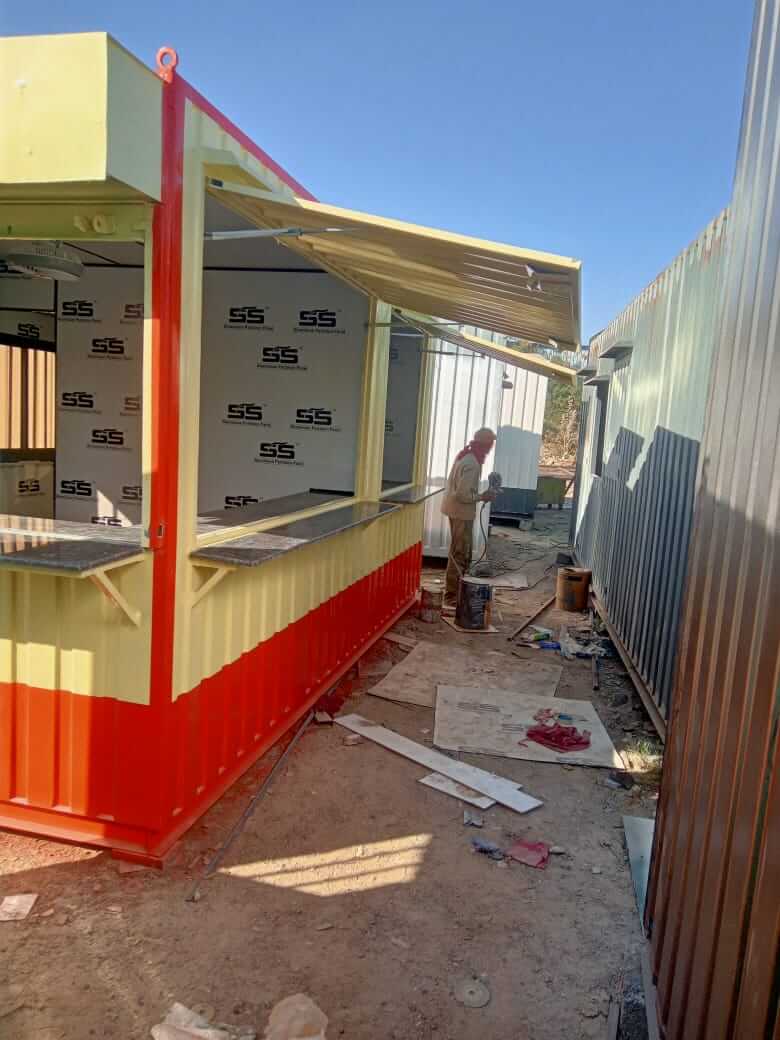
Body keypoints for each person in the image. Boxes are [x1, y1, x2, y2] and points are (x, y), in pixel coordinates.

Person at [440, 427, 497, 608]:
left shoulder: (466, 455)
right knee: (460, 553)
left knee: (459, 551)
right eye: (490, 444)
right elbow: (462, 495)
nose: (491, 447)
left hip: (456, 511)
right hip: (461, 513)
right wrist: (482, 496)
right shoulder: (472, 463)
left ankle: (456, 592)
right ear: (486, 444)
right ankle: (451, 596)